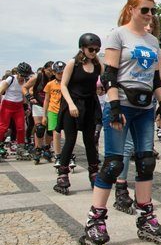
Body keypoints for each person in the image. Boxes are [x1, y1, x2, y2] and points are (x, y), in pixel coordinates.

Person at [80, 0, 161, 245]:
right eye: (145, 10)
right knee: (114, 162)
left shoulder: (153, 41)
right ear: (131, 9)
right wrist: (115, 106)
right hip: (120, 104)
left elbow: (156, 80)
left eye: (152, 10)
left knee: (145, 161)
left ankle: (145, 215)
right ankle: (95, 220)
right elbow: (109, 74)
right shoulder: (118, 35)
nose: (150, 15)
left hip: (145, 107)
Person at [54, 34, 103, 195]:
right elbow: (63, 85)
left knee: (90, 141)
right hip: (73, 104)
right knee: (70, 140)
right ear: (82, 48)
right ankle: (63, 174)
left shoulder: (97, 64)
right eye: (91, 49)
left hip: (89, 105)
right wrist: (70, 104)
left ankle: (94, 173)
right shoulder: (73, 63)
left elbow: (106, 77)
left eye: (97, 50)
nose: (94, 52)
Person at [0, 62, 33, 160]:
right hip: (7, 105)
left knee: (21, 128)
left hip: (19, 106)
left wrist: (26, 107)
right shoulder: (11, 79)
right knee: (3, 127)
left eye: (25, 75)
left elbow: (24, 95)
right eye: (22, 75)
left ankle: (21, 149)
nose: (23, 77)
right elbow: (1, 90)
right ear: (18, 73)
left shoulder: (26, 80)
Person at [24, 61, 54, 164]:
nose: (51, 73)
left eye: (52, 71)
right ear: (44, 69)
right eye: (49, 70)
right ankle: (38, 150)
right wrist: (29, 97)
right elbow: (24, 87)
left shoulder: (55, 78)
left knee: (50, 129)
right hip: (38, 105)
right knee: (40, 128)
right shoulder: (38, 77)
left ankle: (47, 148)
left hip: (51, 105)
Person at [43, 61, 66, 167]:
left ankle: (67, 153)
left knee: (68, 133)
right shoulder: (50, 84)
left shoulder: (67, 83)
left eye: (62, 73)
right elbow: (46, 100)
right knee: (56, 134)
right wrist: (44, 115)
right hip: (53, 110)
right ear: (54, 73)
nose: (60, 75)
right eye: (58, 73)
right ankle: (58, 155)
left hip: (65, 110)